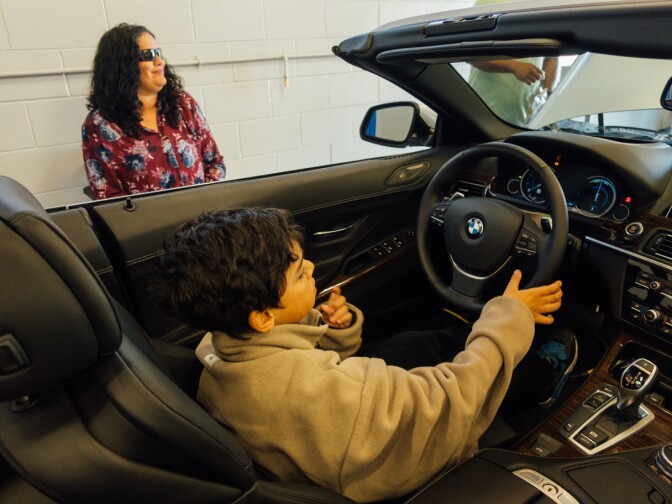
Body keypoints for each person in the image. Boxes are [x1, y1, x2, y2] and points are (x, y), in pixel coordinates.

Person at [151, 208, 571, 503]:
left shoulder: (215, 346)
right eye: (300, 273)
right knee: (501, 373)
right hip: (391, 471)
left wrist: (332, 328)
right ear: (262, 316)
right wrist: (509, 316)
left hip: (319, 434)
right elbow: (450, 400)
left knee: (413, 344)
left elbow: (294, 358)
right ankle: (546, 373)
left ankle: (472, 338)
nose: (312, 268)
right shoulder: (325, 393)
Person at [82, 23, 226, 199]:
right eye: (149, 55)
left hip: (201, 217)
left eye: (158, 53)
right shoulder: (99, 125)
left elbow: (214, 164)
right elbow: (108, 196)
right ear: (124, 65)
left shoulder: (183, 104)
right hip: (148, 223)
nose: (160, 61)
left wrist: (203, 208)